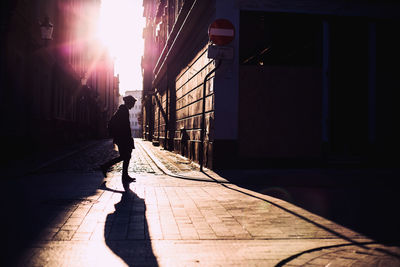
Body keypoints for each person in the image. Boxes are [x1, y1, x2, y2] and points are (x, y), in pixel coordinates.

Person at [100, 95, 136, 190]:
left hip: (123, 138)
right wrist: (122, 137)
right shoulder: (122, 111)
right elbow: (121, 126)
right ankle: (105, 166)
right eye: (133, 103)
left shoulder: (123, 110)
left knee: (126, 156)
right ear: (129, 102)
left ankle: (124, 175)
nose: (133, 105)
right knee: (125, 156)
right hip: (122, 138)